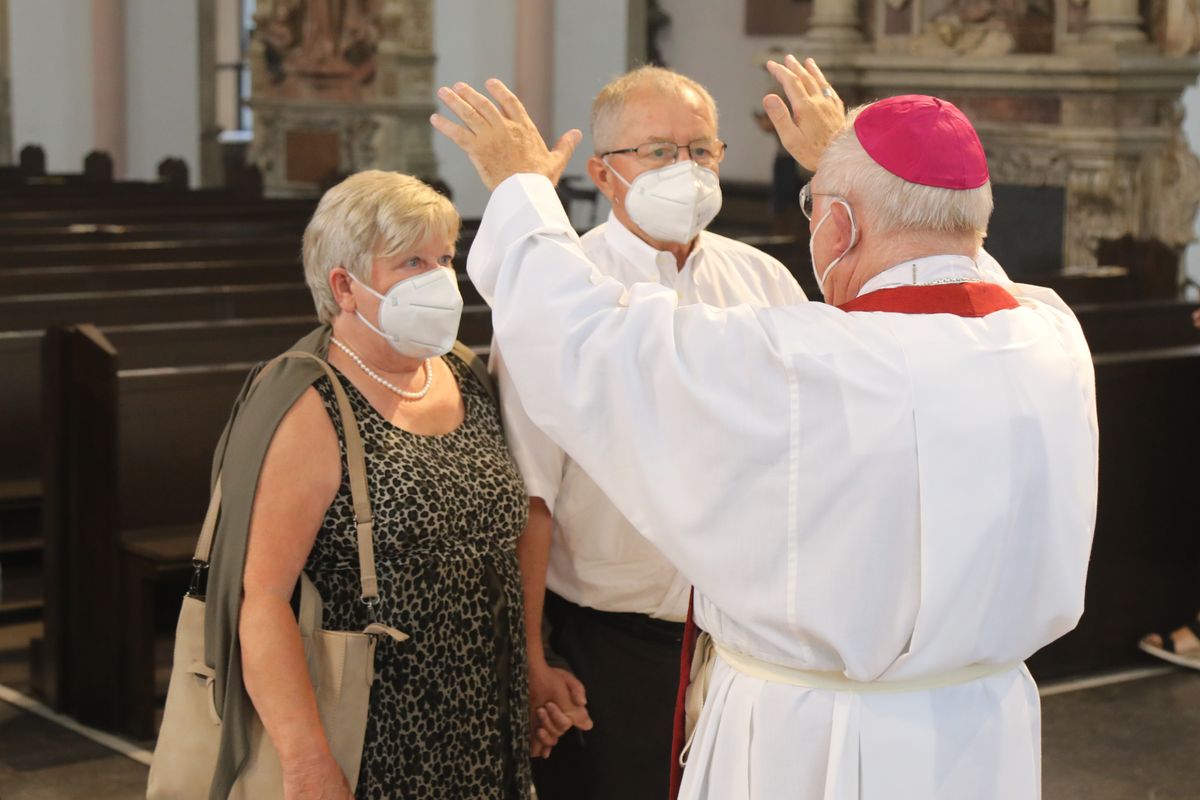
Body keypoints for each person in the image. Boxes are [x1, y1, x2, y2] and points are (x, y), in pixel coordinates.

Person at [430, 55, 1098, 800]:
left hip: (817, 737)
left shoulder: (794, 360)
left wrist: (522, 188)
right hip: (982, 725)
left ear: (838, 226)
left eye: (819, 210)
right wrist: (856, 163)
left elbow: (579, 337)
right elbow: (953, 273)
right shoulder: (1050, 338)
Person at [490, 65, 807, 800]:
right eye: (658, 152)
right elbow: (532, 495)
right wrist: (532, 654)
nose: (686, 169)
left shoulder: (765, 282)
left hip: (743, 637)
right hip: (609, 635)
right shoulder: (561, 288)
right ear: (604, 173)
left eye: (701, 150)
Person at [201, 171, 563, 799]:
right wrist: (306, 758)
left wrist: (532, 664)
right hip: (374, 733)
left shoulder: (463, 373)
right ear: (345, 285)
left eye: (445, 258)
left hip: (485, 719)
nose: (440, 278)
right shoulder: (309, 404)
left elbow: (512, 534)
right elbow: (259, 598)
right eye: (412, 262)